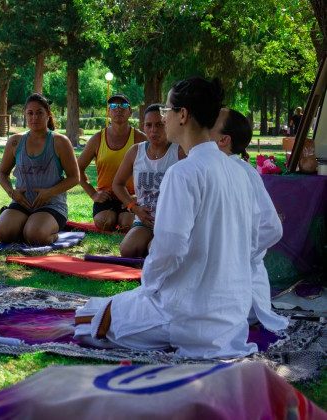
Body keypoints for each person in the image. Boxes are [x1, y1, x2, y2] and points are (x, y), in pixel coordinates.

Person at [75, 77, 260, 358]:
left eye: (167, 112)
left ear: (183, 115)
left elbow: (169, 250)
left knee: (93, 319)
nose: (163, 120)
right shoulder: (237, 170)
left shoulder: (183, 172)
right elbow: (258, 236)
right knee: (105, 307)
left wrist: (149, 288)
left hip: (188, 315)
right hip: (232, 312)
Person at [212, 108, 288, 333]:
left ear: (224, 140)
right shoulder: (214, 168)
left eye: (211, 123)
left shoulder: (242, 172)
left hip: (240, 293)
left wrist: (234, 258)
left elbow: (272, 228)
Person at [0, 93, 79, 245]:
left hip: (51, 205)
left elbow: (74, 177)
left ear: (48, 115)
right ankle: (26, 224)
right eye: (30, 113)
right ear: (25, 115)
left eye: (40, 112)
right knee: (2, 233)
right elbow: (2, 173)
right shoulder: (15, 141)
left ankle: (50, 232)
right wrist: (12, 192)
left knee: (35, 236)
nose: (35, 117)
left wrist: (49, 193)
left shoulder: (60, 141)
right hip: (22, 203)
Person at [112, 104, 186, 257]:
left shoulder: (179, 152)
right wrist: (133, 207)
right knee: (127, 250)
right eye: (149, 125)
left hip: (171, 222)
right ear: (143, 127)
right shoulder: (135, 151)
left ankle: (157, 245)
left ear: (167, 124)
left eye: (159, 124)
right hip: (144, 220)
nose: (153, 130)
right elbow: (117, 184)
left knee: (155, 251)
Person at [77, 93, 145, 232]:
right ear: (108, 112)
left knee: (127, 224)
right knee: (105, 222)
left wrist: (140, 195)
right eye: (113, 106)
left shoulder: (140, 138)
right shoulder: (97, 138)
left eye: (123, 105)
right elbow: (78, 168)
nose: (118, 109)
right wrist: (93, 194)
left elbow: (154, 167)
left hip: (130, 196)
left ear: (130, 111)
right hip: (105, 197)